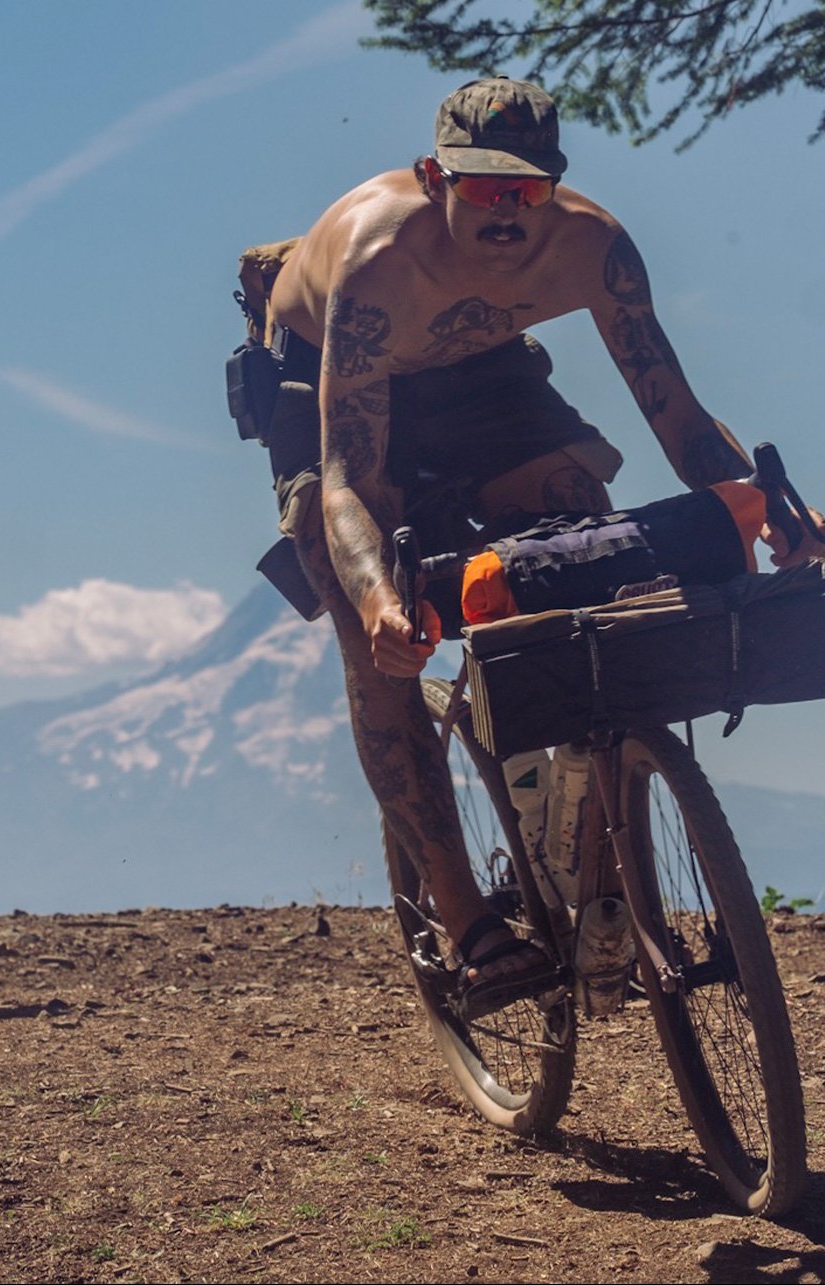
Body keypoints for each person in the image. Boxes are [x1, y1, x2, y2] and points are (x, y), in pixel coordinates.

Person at [259, 76, 822, 1013]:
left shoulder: (593, 247)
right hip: (338, 399)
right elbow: (351, 478)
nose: (510, 211)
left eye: (531, 187)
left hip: (483, 372)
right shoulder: (378, 263)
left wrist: (766, 508)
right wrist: (376, 597)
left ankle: (585, 846)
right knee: (384, 642)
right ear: (436, 177)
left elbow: (675, 412)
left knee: (583, 525)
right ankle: (469, 917)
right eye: (485, 188)